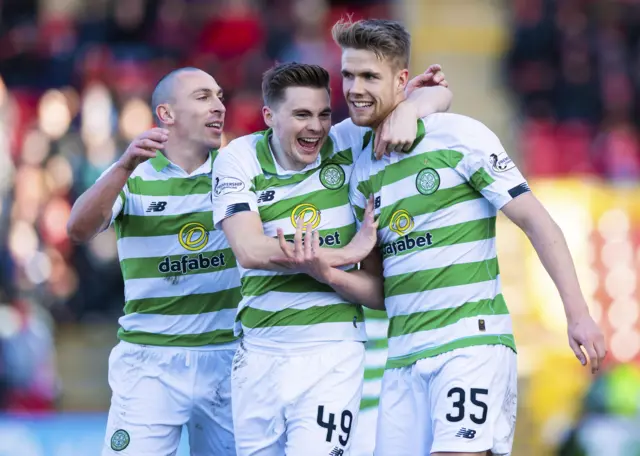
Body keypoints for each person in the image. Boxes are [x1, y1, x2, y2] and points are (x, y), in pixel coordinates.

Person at [323, 18, 607, 456]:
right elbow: (383, 288)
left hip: (468, 343)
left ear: (402, 80)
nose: (355, 88)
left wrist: (578, 313)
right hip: (401, 359)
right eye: (348, 75)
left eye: (369, 76)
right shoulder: (361, 167)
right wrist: (326, 269)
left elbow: (537, 222)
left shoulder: (459, 136)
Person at [211, 61, 452, 456]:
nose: (316, 127)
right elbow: (250, 249)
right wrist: (345, 253)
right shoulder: (240, 157)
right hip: (257, 354)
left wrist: (407, 107)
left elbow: (440, 95)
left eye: (324, 114)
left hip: (332, 353)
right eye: (302, 115)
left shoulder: (345, 142)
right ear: (269, 116)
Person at [67, 67, 239, 456]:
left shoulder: (239, 174)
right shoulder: (132, 174)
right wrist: (124, 166)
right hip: (150, 361)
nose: (219, 106)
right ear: (167, 114)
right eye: (203, 97)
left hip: (226, 355)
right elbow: (78, 228)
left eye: (220, 96)